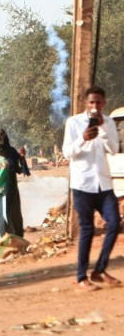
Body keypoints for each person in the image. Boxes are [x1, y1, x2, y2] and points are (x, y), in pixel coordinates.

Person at [62, 85, 121, 291]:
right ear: (86, 104)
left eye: (98, 102)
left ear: (104, 103)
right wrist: (83, 138)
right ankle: (81, 277)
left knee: (114, 223)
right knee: (87, 229)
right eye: (91, 102)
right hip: (83, 184)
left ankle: (100, 270)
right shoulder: (74, 122)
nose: (95, 106)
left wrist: (104, 130)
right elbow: (67, 152)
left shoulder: (110, 123)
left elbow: (114, 149)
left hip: (103, 183)